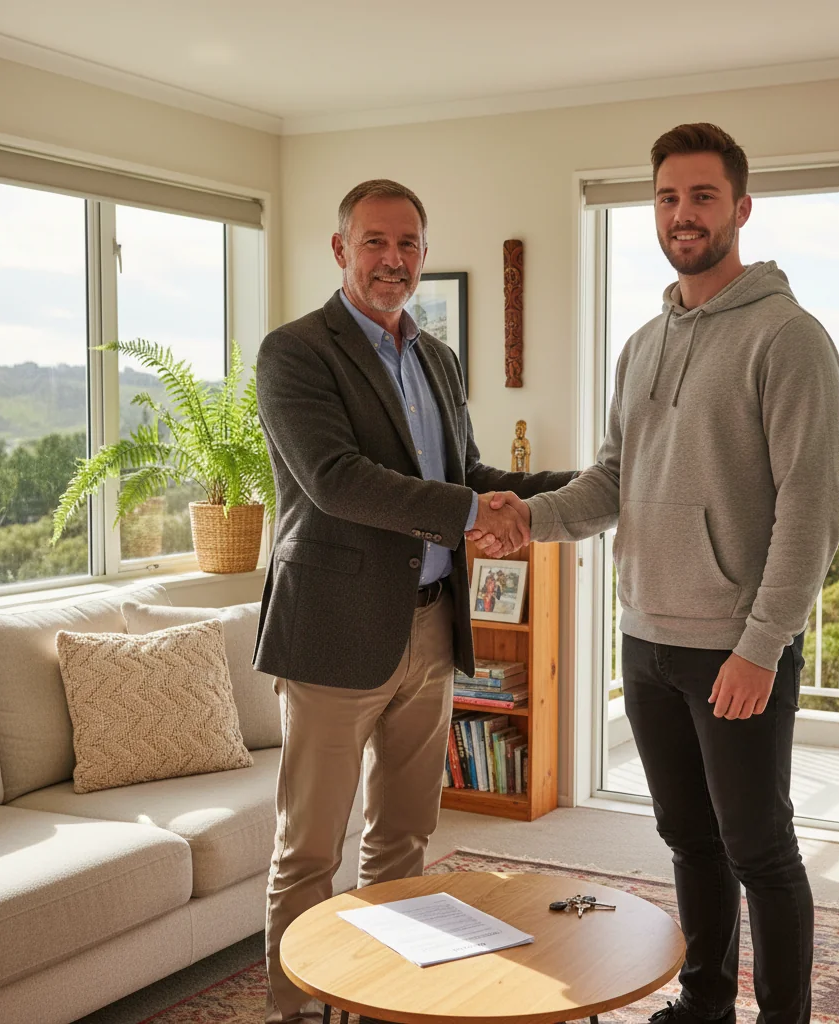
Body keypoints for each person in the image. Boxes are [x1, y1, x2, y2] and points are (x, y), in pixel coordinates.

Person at [471, 124, 839, 1024]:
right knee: (688, 840)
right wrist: (530, 521)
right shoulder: (641, 343)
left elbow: (811, 511)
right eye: (670, 198)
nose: (684, 214)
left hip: (734, 652)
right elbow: (609, 484)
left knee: (760, 847)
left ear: (741, 209)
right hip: (645, 638)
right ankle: (705, 1000)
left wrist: (762, 646)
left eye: (703, 196)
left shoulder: (789, 339)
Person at [254, 178, 574, 1024]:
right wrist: (475, 510)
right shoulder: (295, 352)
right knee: (307, 851)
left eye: (407, 245)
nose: (392, 260)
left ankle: (381, 1003)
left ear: (423, 255)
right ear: (340, 250)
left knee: (402, 836)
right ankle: (295, 1011)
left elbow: (466, 478)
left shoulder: (436, 356)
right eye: (374, 243)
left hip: (432, 624)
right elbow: (335, 482)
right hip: (331, 634)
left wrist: (575, 494)